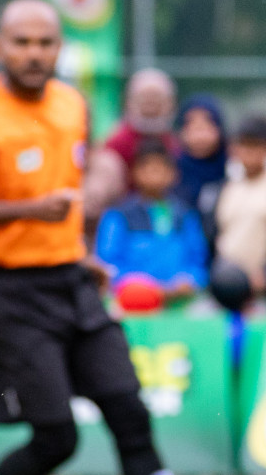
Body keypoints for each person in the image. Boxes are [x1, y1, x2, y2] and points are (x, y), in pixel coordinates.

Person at [0, 0, 247, 475]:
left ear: (59, 49)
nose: (34, 53)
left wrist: (80, 255)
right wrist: (30, 212)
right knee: (56, 438)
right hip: (11, 293)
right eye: (21, 42)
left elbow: (64, 201)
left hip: (72, 284)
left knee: (130, 412)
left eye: (45, 43)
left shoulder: (71, 106)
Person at [94, 140, 207, 301]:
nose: (154, 173)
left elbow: (198, 260)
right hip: (133, 305)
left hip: (180, 305)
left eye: (160, 168)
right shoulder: (118, 216)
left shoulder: (185, 215)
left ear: (173, 173)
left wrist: (189, 280)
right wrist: (143, 288)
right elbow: (108, 264)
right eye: (147, 168)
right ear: (134, 173)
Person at [86, 69, 180, 219]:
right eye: (145, 99)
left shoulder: (173, 142)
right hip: (120, 210)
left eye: (157, 99)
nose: (151, 105)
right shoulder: (118, 141)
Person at [212, 116, 266, 294]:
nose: (248, 152)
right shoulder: (228, 187)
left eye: (255, 145)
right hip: (228, 285)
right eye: (243, 145)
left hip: (259, 285)